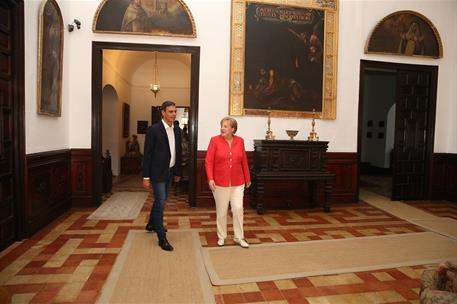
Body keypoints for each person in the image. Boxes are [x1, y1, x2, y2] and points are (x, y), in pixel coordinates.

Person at [205, 117, 251, 248]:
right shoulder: (214, 141)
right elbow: (209, 162)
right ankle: (222, 236)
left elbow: (244, 161)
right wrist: (210, 179)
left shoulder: (240, 141)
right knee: (222, 211)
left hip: (238, 181)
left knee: (238, 209)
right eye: (222, 126)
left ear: (233, 129)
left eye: (225, 126)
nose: (222, 128)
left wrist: (247, 178)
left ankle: (239, 237)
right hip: (219, 182)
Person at [143, 101, 182, 251]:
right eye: (170, 111)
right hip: (157, 173)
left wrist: (177, 172)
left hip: (170, 172)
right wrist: (146, 176)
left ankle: (151, 224)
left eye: (175, 111)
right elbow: (147, 154)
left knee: (161, 200)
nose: (173, 114)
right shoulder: (154, 130)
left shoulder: (177, 130)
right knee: (160, 201)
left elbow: (177, 152)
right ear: (163, 113)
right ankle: (161, 237)